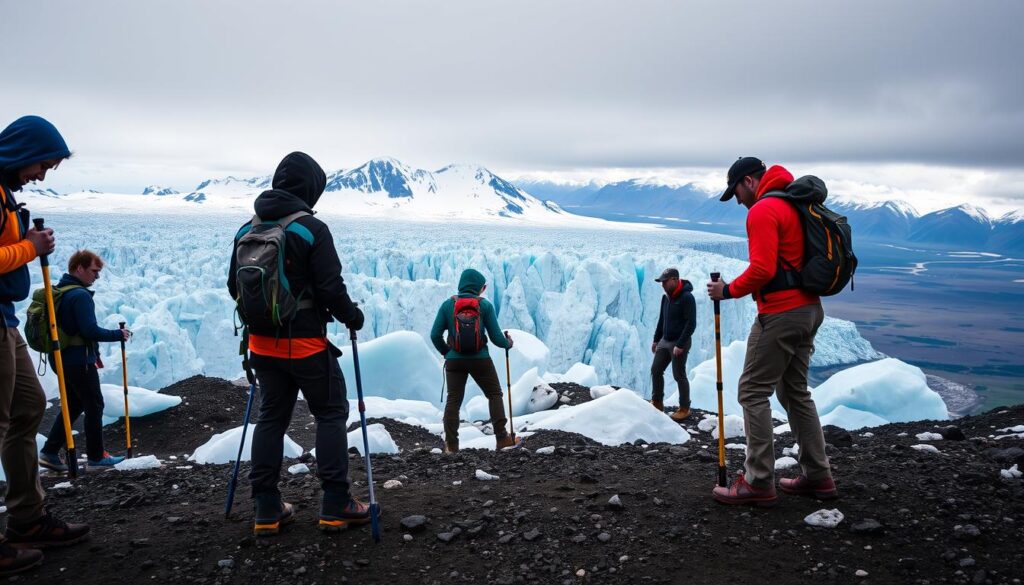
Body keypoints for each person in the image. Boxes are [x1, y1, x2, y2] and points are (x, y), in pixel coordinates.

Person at [227, 152, 372, 536]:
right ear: (311, 189)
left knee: (271, 418)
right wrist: (352, 316)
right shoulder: (311, 229)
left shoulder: (246, 230)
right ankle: (335, 504)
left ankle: (267, 509)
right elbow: (330, 288)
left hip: (261, 346)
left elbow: (233, 288)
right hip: (306, 345)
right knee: (329, 413)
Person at [707, 156, 836, 507]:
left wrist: (728, 290)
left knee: (751, 390)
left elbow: (762, 269)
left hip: (781, 313)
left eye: (735, 191)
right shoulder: (794, 206)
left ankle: (758, 480)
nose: (737, 200)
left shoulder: (764, 210)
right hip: (809, 310)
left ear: (748, 181)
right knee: (795, 391)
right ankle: (818, 476)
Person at [0, 116, 89, 576]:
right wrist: (30, 249)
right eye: (43, 165)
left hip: (5, 319)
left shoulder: (5, 193)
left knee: (29, 407)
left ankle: (27, 518)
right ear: (23, 152)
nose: (42, 175)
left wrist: (28, 243)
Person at [38, 250, 131, 471]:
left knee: (74, 403)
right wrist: (118, 335)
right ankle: (96, 458)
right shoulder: (79, 295)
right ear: (79, 268)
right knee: (94, 404)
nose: (97, 276)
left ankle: (50, 452)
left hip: (61, 358)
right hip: (79, 361)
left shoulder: (60, 291)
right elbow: (89, 330)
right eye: (94, 271)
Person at [430, 269, 522, 453]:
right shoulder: (485, 306)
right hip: (480, 359)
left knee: (453, 400)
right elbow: (497, 338)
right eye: (483, 287)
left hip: (454, 361)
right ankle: (502, 439)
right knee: (494, 394)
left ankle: (452, 445)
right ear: (480, 288)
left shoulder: (448, 305)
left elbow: (434, 335)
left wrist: (447, 352)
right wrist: (508, 343)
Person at [650, 267, 695, 421]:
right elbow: (661, 320)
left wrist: (681, 344)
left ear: (675, 280)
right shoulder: (666, 298)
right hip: (665, 340)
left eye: (665, 281)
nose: (662, 284)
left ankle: (684, 408)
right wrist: (656, 339)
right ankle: (657, 402)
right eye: (661, 282)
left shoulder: (687, 298)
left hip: (679, 342)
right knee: (656, 370)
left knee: (679, 375)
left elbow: (691, 324)